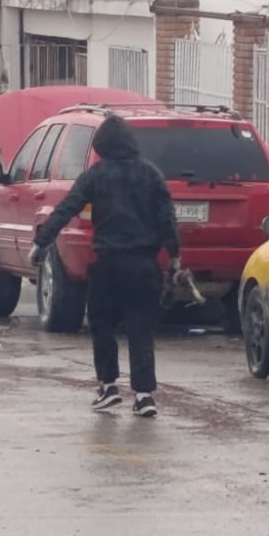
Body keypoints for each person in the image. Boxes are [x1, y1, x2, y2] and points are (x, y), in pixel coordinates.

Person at [32, 114, 179, 418]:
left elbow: (66, 208)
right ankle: (144, 396)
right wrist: (175, 256)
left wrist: (41, 242)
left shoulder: (95, 176)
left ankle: (108, 387)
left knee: (102, 325)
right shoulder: (151, 174)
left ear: (102, 145)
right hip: (144, 265)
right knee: (140, 329)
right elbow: (167, 219)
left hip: (108, 264)